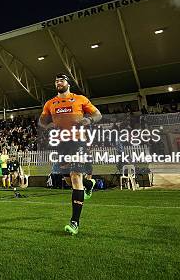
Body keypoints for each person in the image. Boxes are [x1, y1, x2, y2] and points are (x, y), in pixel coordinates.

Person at [39, 73, 102, 236]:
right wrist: (49, 126)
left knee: (75, 177)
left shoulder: (80, 99)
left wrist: (89, 120)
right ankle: (89, 185)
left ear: (68, 83)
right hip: (61, 144)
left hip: (78, 141)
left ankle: (74, 223)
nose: (58, 83)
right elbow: (41, 121)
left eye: (61, 80)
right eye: (56, 81)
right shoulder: (50, 103)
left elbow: (97, 114)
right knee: (67, 179)